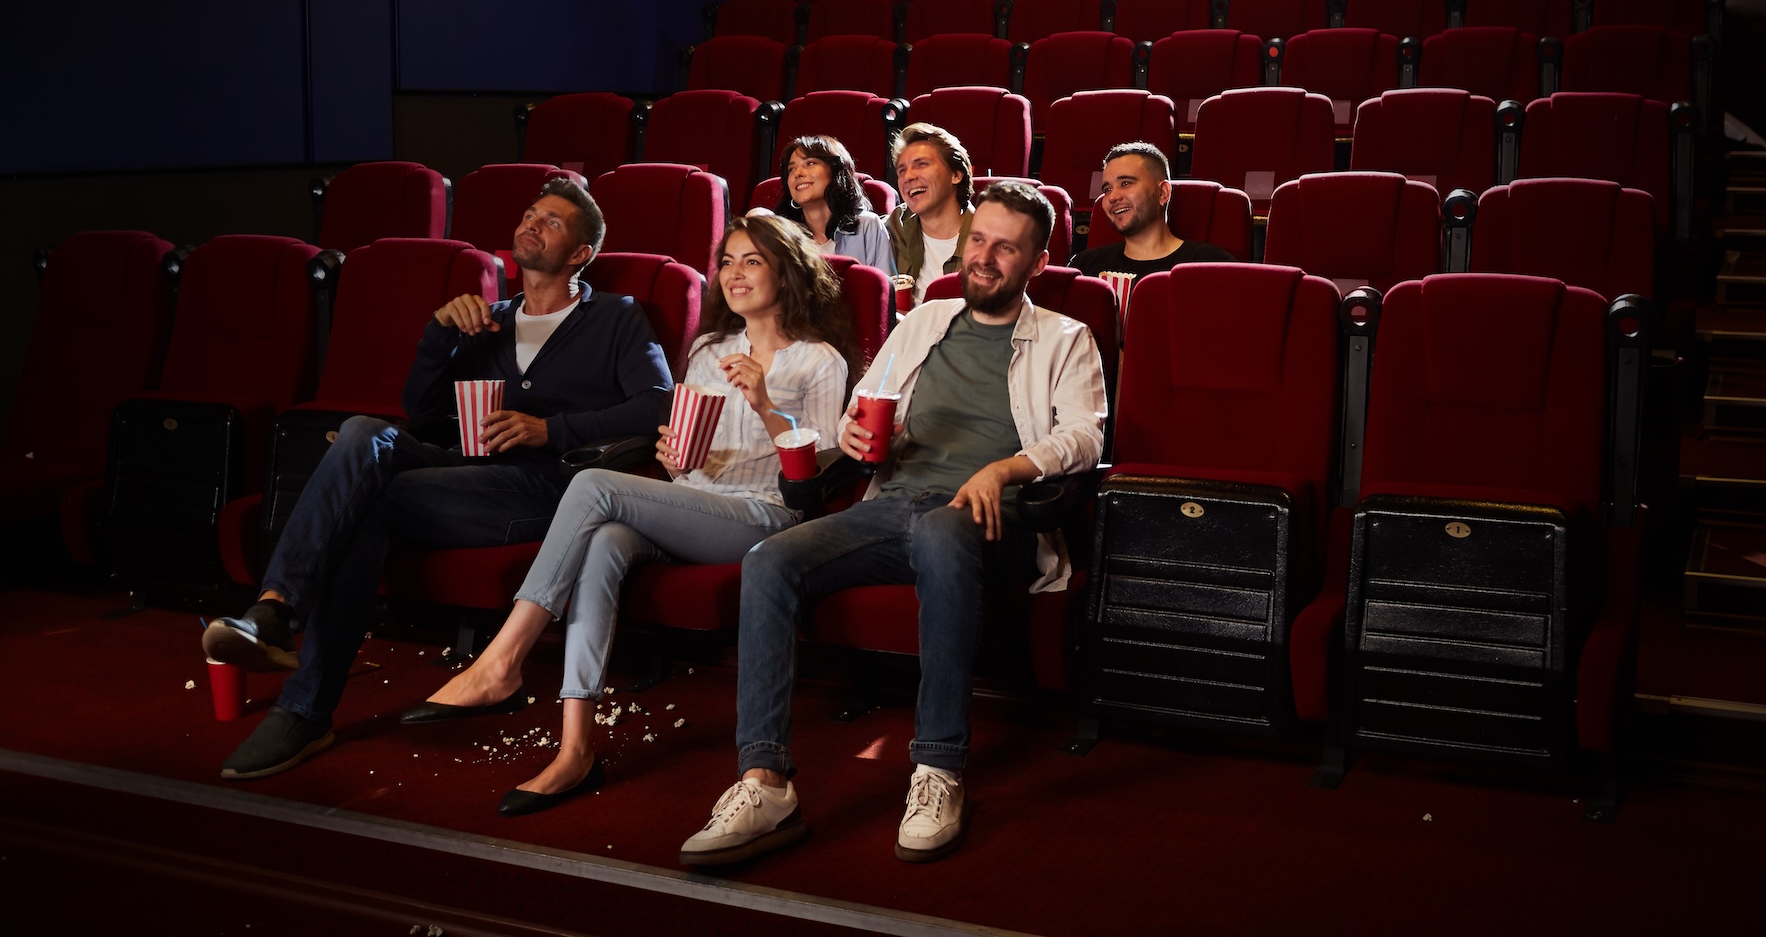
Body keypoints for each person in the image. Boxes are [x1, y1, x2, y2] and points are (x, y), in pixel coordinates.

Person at [678, 181, 1105, 869]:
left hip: (991, 520)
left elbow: (1085, 436)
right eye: (977, 241)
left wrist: (1005, 468)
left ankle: (938, 767)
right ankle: (765, 781)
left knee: (940, 527)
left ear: (1039, 260)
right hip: (890, 504)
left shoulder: (1065, 337)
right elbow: (867, 405)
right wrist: (853, 434)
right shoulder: (924, 323)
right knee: (769, 558)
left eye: (1005, 246)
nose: (985, 257)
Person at [200, 179, 672, 781]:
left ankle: (304, 706)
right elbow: (421, 413)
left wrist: (547, 430)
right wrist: (440, 335)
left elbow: (657, 404)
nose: (532, 223)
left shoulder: (614, 318)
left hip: (545, 487)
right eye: (529, 214)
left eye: (551, 221)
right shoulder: (488, 320)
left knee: (368, 504)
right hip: (462, 470)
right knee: (362, 431)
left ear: (581, 253)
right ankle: (273, 609)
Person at [407, 215, 856, 815]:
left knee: (594, 484)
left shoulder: (818, 361)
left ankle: (502, 658)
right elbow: (691, 459)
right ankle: (576, 748)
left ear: (787, 271)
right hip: (698, 505)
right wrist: (674, 458)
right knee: (605, 542)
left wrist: (767, 405)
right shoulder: (707, 351)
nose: (734, 274)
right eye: (727, 261)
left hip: (768, 517)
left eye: (752, 261)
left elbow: (818, 475)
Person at [1069, 141, 1234, 278]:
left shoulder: (1210, 264)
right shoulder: (1084, 267)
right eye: (1107, 189)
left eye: (1126, 183)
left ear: (1163, 193)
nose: (1112, 197)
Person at [773, 135, 893, 276]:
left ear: (836, 171)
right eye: (791, 169)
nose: (797, 173)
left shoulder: (867, 226)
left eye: (810, 163)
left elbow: (886, 291)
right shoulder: (780, 235)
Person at [885, 122, 975, 298]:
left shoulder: (989, 240)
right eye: (901, 170)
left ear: (956, 174)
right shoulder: (894, 224)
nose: (908, 176)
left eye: (921, 164)